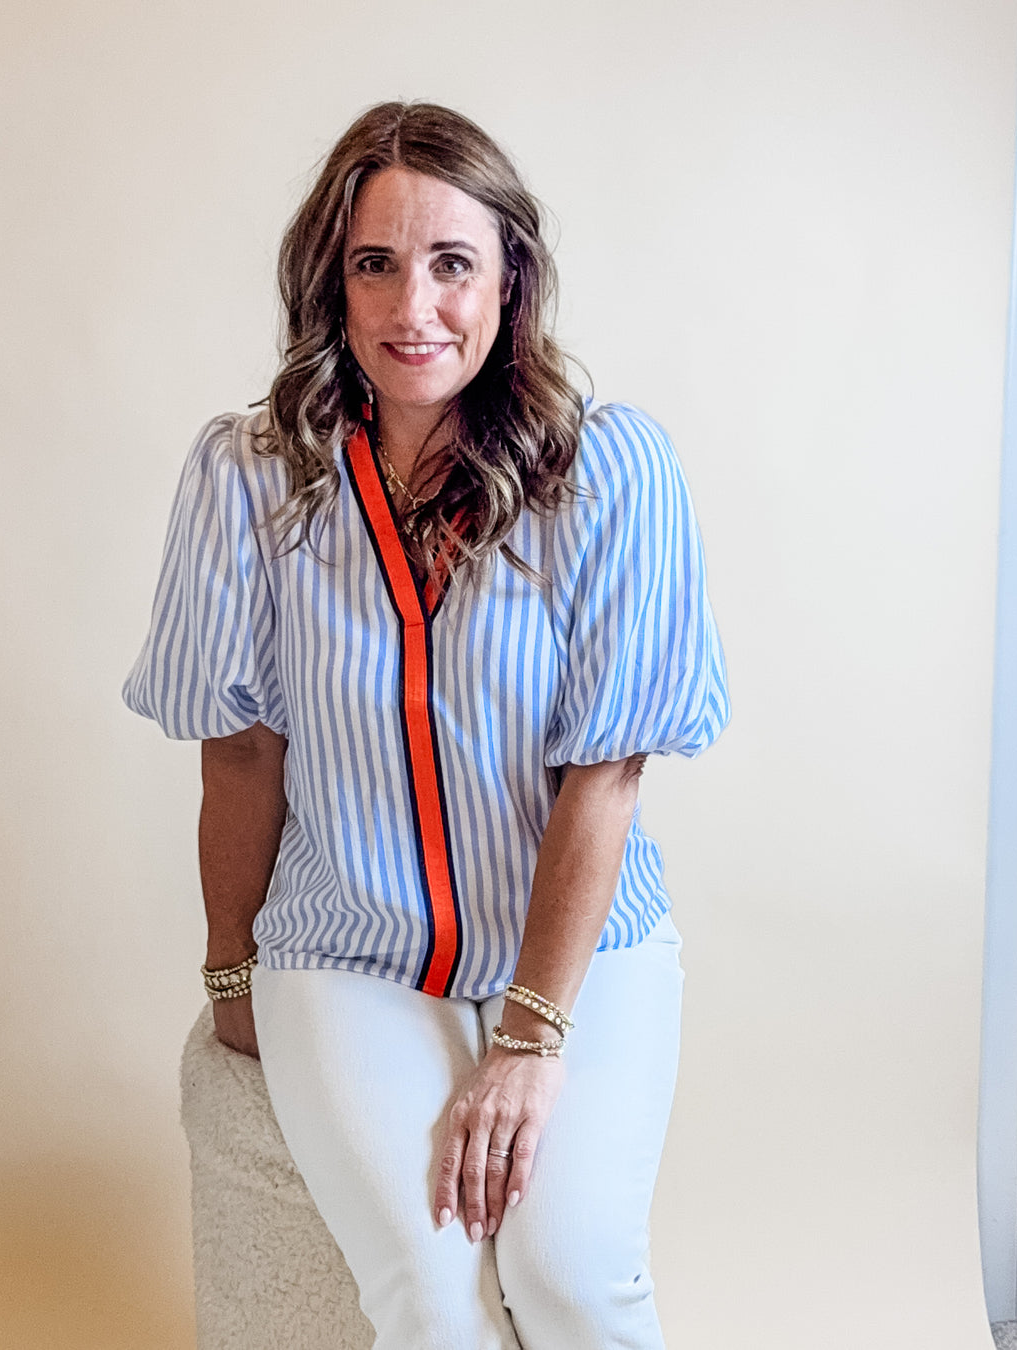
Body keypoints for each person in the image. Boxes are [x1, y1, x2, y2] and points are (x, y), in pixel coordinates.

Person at [123, 100, 729, 1350]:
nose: (415, 308)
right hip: (345, 945)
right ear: (330, 284)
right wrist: (231, 963)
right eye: (375, 263)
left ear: (511, 279)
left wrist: (530, 1037)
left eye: (454, 263)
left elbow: (603, 777)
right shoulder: (250, 480)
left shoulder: (609, 474)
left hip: (579, 954)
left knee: (573, 1276)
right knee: (428, 1292)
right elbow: (238, 752)